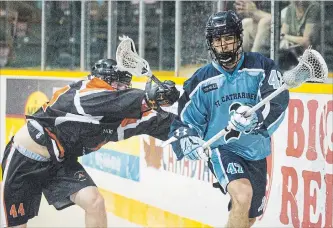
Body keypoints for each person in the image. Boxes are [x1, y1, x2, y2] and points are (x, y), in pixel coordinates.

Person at [1, 58, 179, 228]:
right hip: (24, 159)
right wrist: (148, 97)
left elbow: (157, 121)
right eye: (118, 84)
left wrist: (190, 125)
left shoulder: (119, 111)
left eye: (125, 85)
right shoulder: (82, 94)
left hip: (60, 162)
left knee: (94, 202)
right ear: (100, 80)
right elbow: (113, 102)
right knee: (17, 226)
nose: (122, 88)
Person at [169, 11, 289, 228]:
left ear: (239, 38)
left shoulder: (261, 67)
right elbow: (184, 122)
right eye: (217, 40)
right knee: (242, 195)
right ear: (211, 43)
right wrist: (189, 140)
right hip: (222, 149)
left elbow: (277, 101)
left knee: (249, 216)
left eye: (228, 38)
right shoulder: (201, 80)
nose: (223, 45)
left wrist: (256, 120)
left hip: (256, 151)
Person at [279, 0, 320, 70]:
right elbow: (282, 34)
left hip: (311, 49)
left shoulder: (314, 7)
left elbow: (305, 41)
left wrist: (286, 37)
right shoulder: (290, 8)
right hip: (293, 48)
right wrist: (285, 39)